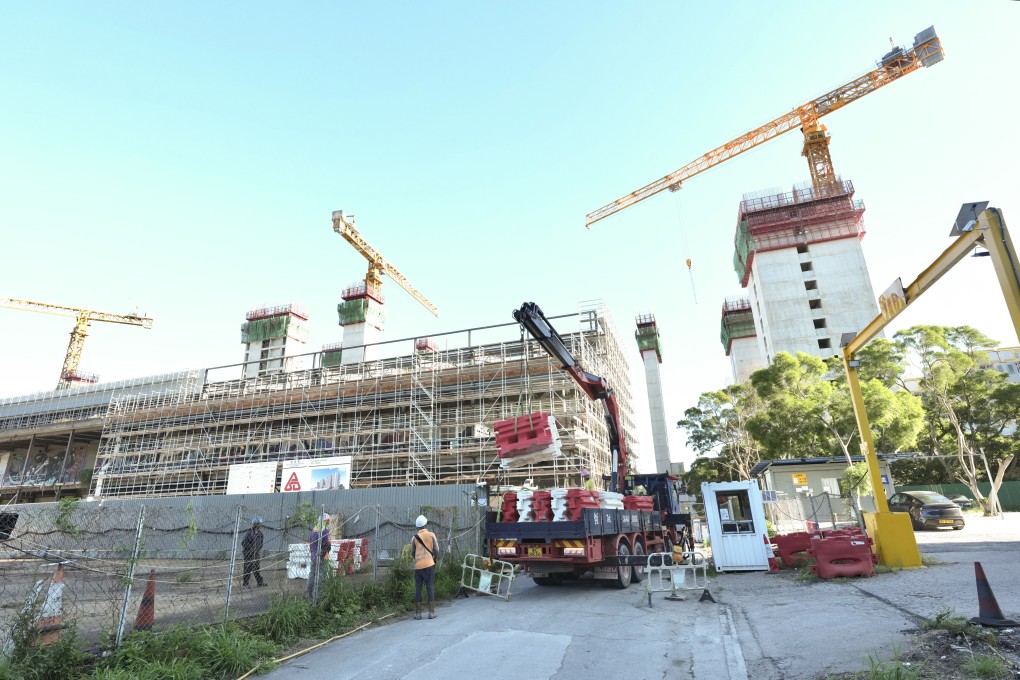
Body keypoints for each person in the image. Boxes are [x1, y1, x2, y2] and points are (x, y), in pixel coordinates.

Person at [409, 514, 440, 620]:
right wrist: (434, 559)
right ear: (426, 525)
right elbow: (436, 550)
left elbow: (412, 552)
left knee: (418, 588)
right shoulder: (431, 535)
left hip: (418, 567)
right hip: (429, 565)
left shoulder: (414, 537)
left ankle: (418, 613)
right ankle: (432, 612)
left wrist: (418, 559)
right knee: (430, 587)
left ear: (417, 527)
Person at [307, 513, 331, 598]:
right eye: (328, 521)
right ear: (326, 521)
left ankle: (309, 594)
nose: (329, 522)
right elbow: (327, 545)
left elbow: (311, 544)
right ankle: (318, 596)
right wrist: (324, 553)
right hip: (321, 556)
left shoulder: (313, 531)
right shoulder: (325, 531)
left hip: (313, 555)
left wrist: (313, 554)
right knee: (320, 575)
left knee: (312, 574)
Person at [241, 516, 266, 589]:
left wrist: (257, 549)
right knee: (247, 568)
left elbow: (261, 543)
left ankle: (259, 582)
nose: (261, 525)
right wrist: (251, 549)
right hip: (248, 554)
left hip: (256, 554)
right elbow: (243, 543)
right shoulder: (249, 533)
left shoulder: (260, 534)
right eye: (259, 523)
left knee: (256, 568)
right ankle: (245, 584)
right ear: (256, 524)